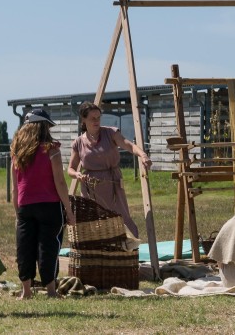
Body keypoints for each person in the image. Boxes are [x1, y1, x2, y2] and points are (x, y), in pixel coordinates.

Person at [11, 109, 76, 299]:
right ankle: (51, 291)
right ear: (43, 127)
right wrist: (69, 210)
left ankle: (26, 291)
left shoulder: (16, 152)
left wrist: (18, 213)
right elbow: (60, 182)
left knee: (25, 248)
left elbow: (15, 188)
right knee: (48, 247)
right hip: (49, 205)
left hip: (25, 206)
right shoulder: (52, 149)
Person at [67, 101, 151, 237]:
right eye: (92, 118)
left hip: (112, 182)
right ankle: (99, 252)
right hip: (90, 186)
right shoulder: (78, 143)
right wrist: (77, 174)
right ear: (83, 119)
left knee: (121, 216)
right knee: (93, 220)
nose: (96, 121)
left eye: (98, 118)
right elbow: (70, 168)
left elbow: (129, 145)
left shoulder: (110, 133)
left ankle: (129, 248)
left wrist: (143, 155)